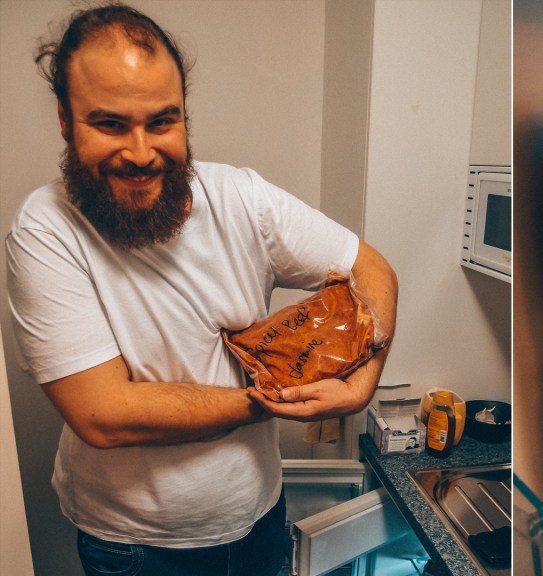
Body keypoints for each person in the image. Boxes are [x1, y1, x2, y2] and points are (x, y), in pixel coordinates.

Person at [4, 3, 398, 575]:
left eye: (162, 122)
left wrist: (361, 383)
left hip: (260, 516)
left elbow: (372, 266)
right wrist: (271, 402)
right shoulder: (45, 230)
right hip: (134, 546)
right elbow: (105, 414)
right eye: (110, 124)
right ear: (66, 120)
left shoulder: (242, 198)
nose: (140, 153)